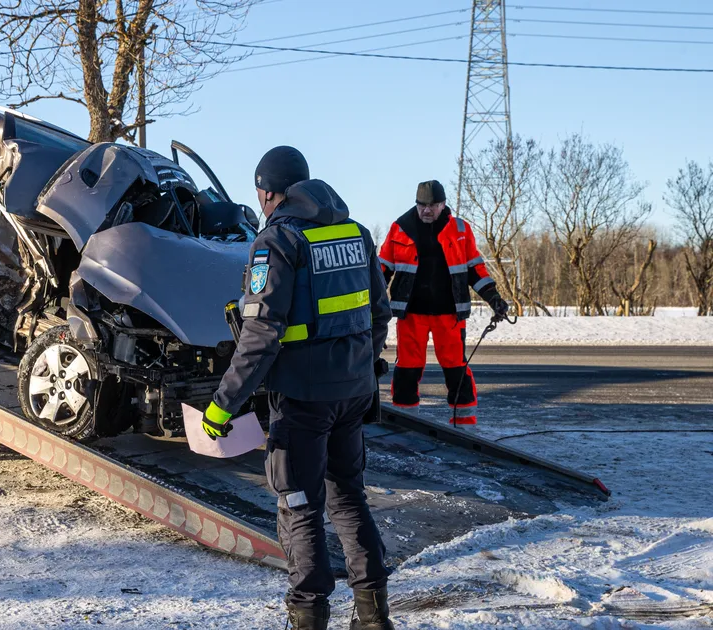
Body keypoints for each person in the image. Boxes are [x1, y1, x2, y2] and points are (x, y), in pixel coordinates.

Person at [203, 146, 394, 630]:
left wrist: (221, 407)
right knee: (348, 497)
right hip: (354, 393)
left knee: (299, 504)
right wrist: (360, 366)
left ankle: (307, 617)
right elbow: (378, 315)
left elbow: (260, 335)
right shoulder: (355, 235)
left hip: (305, 399)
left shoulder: (277, 242)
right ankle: (374, 617)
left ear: (270, 192)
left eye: (260, 194)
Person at [377, 180, 509, 425]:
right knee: (407, 367)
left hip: (449, 314)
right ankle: (406, 420)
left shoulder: (460, 230)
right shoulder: (400, 228)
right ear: (416, 205)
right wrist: (371, 301)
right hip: (411, 313)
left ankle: (464, 421)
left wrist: (494, 298)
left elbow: (474, 269)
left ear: (443, 204)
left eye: (433, 205)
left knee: (455, 366)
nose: (427, 210)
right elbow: (382, 270)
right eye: (422, 205)